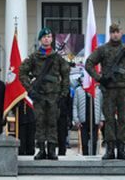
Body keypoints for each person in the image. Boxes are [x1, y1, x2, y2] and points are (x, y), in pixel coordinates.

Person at [86, 22, 125, 160]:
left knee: (122, 119)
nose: (115, 34)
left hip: (123, 90)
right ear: (110, 33)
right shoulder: (103, 49)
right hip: (108, 90)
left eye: (118, 31)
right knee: (109, 119)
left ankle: (121, 149)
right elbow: (89, 63)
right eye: (113, 32)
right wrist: (99, 78)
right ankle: (110, 149)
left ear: (121, 33)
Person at [19, 28, 70, 160]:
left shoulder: (57, 58)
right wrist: (29, 90)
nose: (46, 39)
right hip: (39, 95)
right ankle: (41, 149)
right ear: (40, 40)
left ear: (52, 39)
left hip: (54, 95)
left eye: (48, 36)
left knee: (52, 122)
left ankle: (52, 150)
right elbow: (22, 72)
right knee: (40, 122)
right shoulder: (34, 57)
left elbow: (65, 75)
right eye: (44, 37)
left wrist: (64, 93)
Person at [72, 80, 103, 156]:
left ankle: (93, 157)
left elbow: (102, 106)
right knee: (84, 142)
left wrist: (101, 119)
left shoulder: (98, 91)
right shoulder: (78, 91)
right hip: (83, 121)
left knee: (94, 142)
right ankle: (85, 156)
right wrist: (76, 119)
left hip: (95, 120)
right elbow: (75, 106)